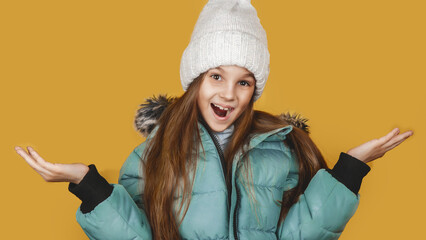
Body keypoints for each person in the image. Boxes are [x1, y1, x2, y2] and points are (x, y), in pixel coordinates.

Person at [15, 0, 413, 239]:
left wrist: (349, 170)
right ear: (195, 82)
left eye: (244, 82)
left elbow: (304, 235)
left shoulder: (284, 150)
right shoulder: (151, 155)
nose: (228, 93)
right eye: (216, 76)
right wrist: (86, 184)